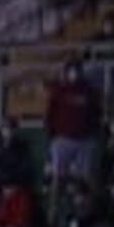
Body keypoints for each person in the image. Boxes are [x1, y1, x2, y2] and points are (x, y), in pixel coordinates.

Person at [44, 62, 104, 204]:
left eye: (76, 71)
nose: (73, 74)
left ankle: (93, 209)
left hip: (84, 141)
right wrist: (52, 133)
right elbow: (50, 113)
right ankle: (53, 213)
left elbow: (96, 113)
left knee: (86, 178)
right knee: (58, 177)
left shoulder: (88, 91)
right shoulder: (59, 90)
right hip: (62, 139)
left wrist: (93, 132)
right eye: (71, 71)